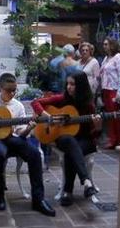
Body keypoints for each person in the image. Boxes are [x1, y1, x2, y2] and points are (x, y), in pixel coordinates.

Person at [0, 73, 56, 216]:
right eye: (8, 90)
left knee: (35, 154)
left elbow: (20, 134)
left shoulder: (18, 106)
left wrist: (29, 127)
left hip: (10, 138)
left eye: (14, 90)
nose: (12, 94)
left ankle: (38, 199)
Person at [31, 70, 101, 206]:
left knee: (72, 151)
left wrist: (97, 127)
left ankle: (68, 191)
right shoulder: (62, 99)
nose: (69, 87)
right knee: (69, 141)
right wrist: (48, 116)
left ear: (80, 86)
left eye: (73, 84)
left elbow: (94, 134)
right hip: (63, 136)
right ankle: (86, 181)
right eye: (68, 83)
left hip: (84, 139)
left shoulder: (89, 105)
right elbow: (36, 103)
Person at [98, 37, 120, 148]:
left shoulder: (118, 57)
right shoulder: (106, 58)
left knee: (116, 116)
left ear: (112, 45)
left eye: (106, 44)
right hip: (106, 89)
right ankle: (112, 139)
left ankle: (119, 140)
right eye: (104, 44)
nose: (104, 46)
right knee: (109, 116)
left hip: (114, 90)